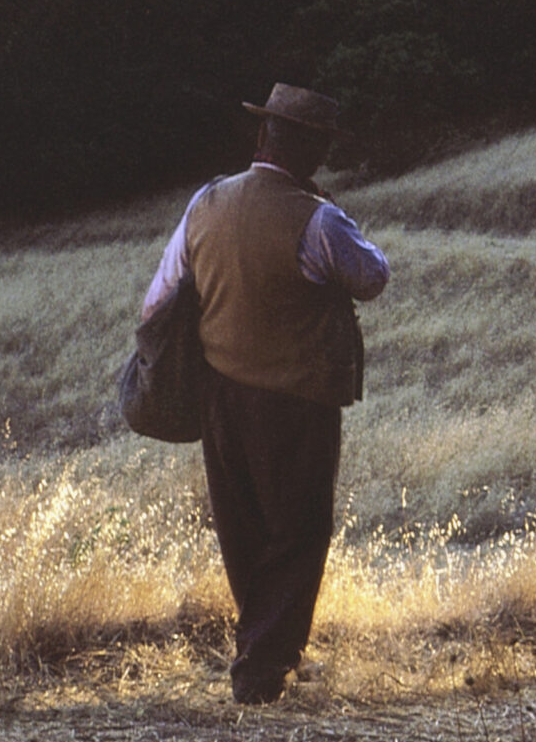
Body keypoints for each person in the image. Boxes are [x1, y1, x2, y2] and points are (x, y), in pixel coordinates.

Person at [141, 83, 389, 704]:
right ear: (315, 155)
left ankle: (264, 650)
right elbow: (373, 278)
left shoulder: (205, 202)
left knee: (244, 528)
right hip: (296, 401)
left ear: (261, 138)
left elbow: (158, 298)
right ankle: (260, 670)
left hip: (221, 397)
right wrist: (331, 209)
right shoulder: (318, 218)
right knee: (299, 531)